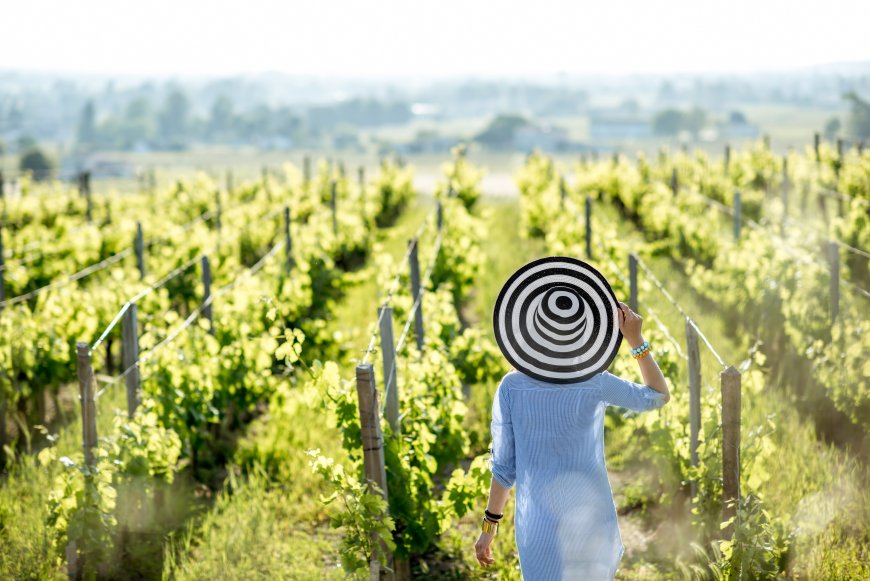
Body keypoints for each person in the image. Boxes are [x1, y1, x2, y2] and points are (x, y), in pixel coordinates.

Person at [475, 301, 671, 580]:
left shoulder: (512, 386)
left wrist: (489, 528)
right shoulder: (594, 381)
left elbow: (505, 468)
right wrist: (635, 338)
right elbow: (657, 395)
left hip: (537, 527)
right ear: (582, 331)